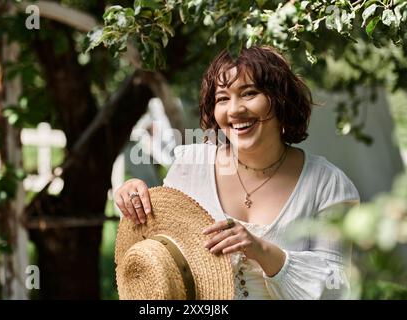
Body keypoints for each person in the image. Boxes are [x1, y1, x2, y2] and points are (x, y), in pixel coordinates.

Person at [114, 45, 360, 300]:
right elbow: (157, 247)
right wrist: (132, 195)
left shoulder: (327, 185)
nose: (234, 110)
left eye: (249, 93)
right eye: (222, 98)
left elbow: (337, 289)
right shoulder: (191, 165)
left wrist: (263, 251)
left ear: (281, 99)